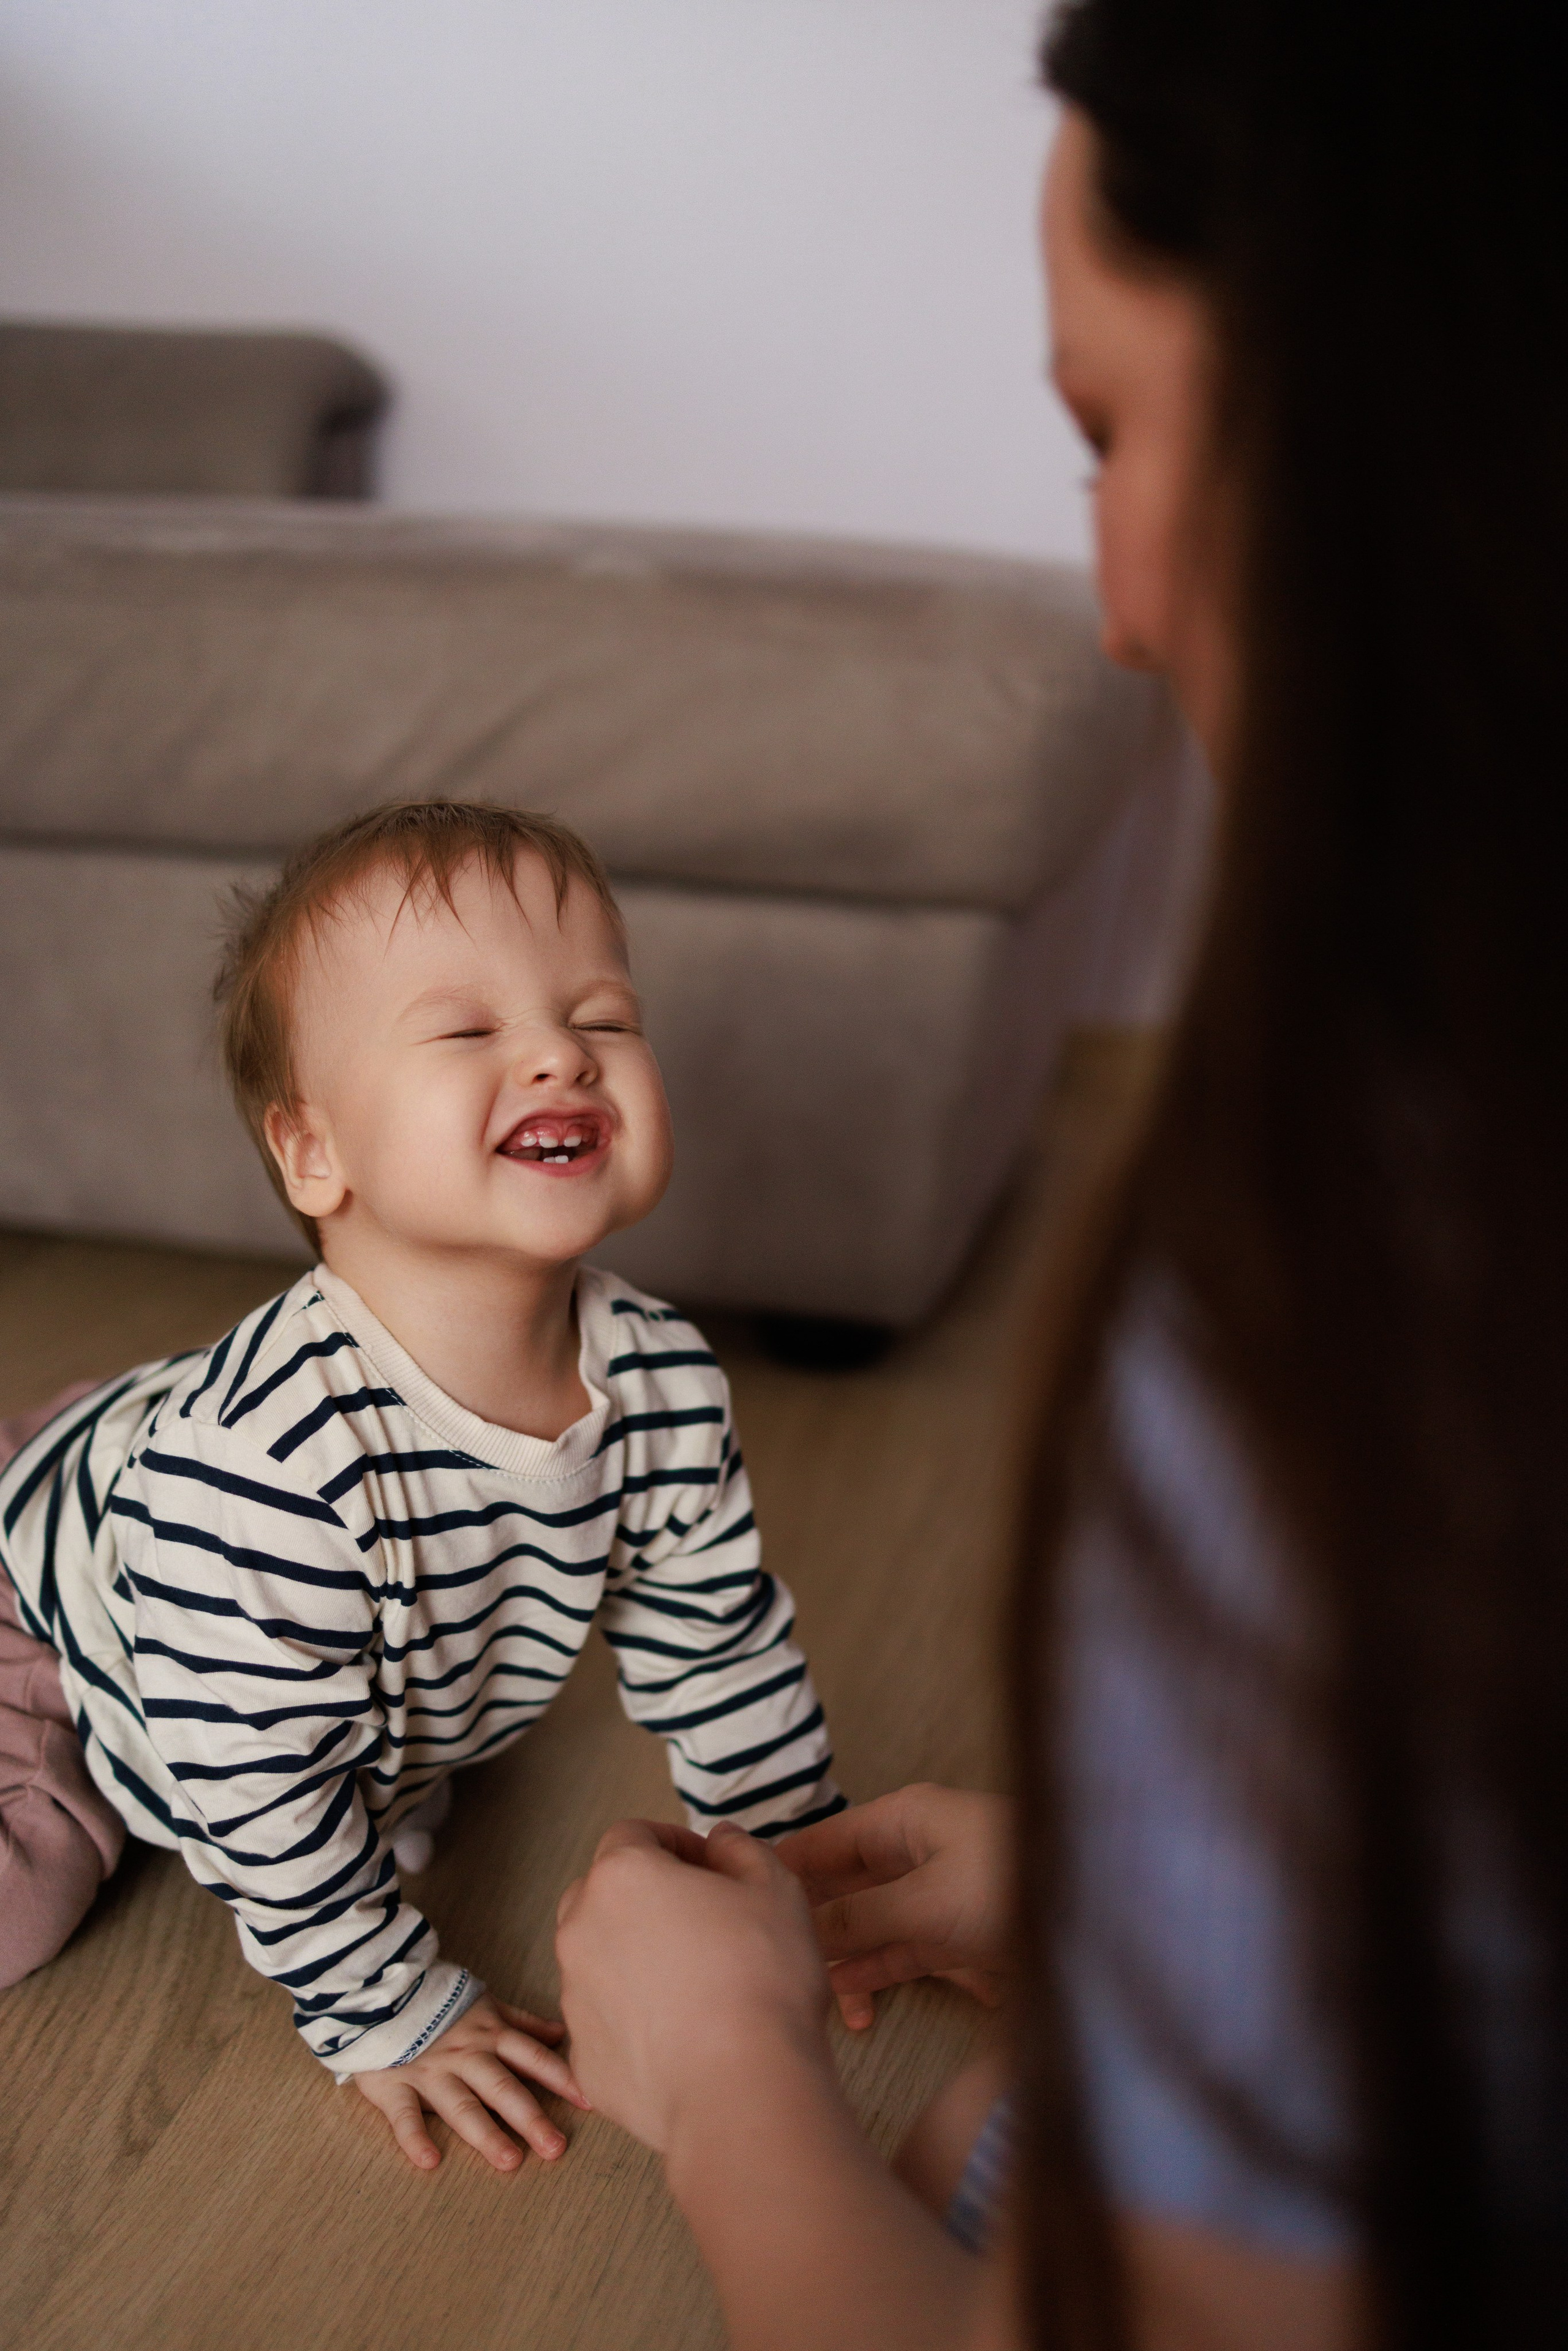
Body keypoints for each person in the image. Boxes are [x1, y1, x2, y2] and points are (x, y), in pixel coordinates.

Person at [552, 0, 1567, 2344]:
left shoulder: (1347, 1318)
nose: (1112, 596)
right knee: (964, 2119)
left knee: (917, 2143)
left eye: (1105, 429)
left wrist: (716, 2076)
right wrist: (1151, 1880)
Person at [0, 799, 842, 2172]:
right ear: (311, 1151)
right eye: (467, 1031)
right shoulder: (271, 1475)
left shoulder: (660, 1378)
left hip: (196, 1546)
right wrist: (386, 2007)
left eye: (604, 1016)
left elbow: (715, 1634)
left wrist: (794, 1853)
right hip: (55, 1607)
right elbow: (257, 1787)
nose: (561, 1051)